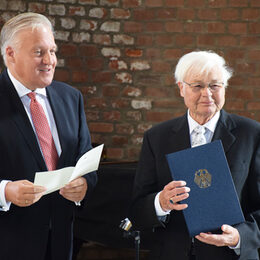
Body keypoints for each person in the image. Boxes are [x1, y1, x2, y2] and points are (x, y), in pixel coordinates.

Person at [129, 50, 260, 259]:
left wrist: (239, 236)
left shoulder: (252, 134)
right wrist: (160, 203)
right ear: (181, 88)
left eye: (215, 85)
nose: (207, 94)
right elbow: (136, 210)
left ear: (225, 88)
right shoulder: (157, 137)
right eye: (197, 86)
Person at [0, 12, 97, 260]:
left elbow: (86, 161)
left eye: (52, 51)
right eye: (39, 52)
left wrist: (84, 185)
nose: (50, 60)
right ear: (10, 54)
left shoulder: (71, 98)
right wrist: (6, 191)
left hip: (62, 242)